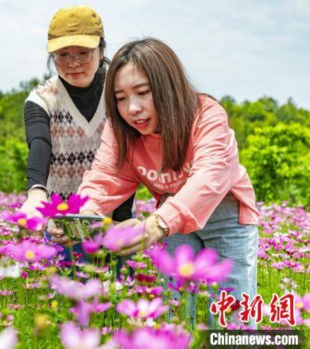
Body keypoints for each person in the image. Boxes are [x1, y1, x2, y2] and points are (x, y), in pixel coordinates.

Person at [75, 38, 258, 321]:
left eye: (142, 92)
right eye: (120, 98)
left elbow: (208, 178)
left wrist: (156, 224)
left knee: (231, 320)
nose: (132, 108)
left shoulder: (206, 115)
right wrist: (85, 219)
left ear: (167, 87)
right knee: (176, 316)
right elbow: (104, 177)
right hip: (173, 218)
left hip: (226, 215)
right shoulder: (119, 129)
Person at [20, 5, 135, 266]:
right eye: (62, 55)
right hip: (64, 222)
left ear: (102, 51)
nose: (73, 64)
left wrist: (120, 218)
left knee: (117, 295)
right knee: (67, 297)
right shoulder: (42, 97)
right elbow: (39, 143)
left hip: (115, 215)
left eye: (84, 53)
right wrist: (36, 192)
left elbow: (129, 154)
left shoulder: (119, 91)